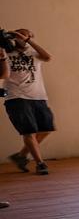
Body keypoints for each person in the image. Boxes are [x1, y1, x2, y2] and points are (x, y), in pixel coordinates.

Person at [3, 29, 56, 175]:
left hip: (38, 97)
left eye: (27, 35)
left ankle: (20, 156)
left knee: (46, 129)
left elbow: (48, 57)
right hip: (16, 97)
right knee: (29, 132)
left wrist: (27, 40)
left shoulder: (34, 54)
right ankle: (40, 163)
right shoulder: (6, 53)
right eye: (19, 34)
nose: (22, 37)